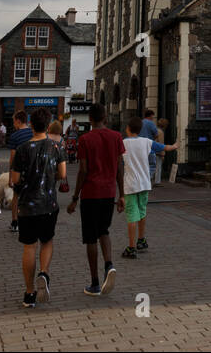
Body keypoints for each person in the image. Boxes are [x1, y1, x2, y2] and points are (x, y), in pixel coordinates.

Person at [66, 103, 125, 296]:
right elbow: (120, 167)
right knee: (104, 231)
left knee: (90, 237)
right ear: (105, 117)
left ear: (90, 119)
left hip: (91, 193)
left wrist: (75, 197)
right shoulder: (116, 137)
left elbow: (82, 169)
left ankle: (95, 282)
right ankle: (109, 264)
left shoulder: (85, 139)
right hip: (109, 193)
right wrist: (122, 194)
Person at [10, 108, 67, 307]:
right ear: (48, 125)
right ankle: (43, 272)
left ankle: (29, 292)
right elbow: (62, 173)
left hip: (27, 206)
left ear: (32, 125)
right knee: (47, 241)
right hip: (49, 204)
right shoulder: (56, 146)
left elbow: (14, 179)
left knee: (29, 246)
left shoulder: (23, 149)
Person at [120, 117, 178, 257]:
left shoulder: (123, 143)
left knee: (132, 216)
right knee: (142, 211)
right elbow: (165, 147)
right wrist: (175, 145)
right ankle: (141, 239)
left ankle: (131, 247)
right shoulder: (146, 142)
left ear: (128, 129)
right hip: (144, 183)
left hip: (131, 185)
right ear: (140, 130)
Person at [6, 110, 31, 232]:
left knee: (16, 196)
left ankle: (15, 222)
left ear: (18, 121)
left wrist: (10, 176)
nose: (13, 123)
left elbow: (12, 158)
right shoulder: (33, 133)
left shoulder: (15, 136)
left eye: (14, 120)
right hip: (33, 170)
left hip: (19, 171)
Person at [154, 114, 170, 185]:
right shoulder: (161, 132)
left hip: (153, 151)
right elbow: (161, 144)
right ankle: (157, 181)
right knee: (158, 167)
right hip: (158, 152)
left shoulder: (155, 130)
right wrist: (163, 154)